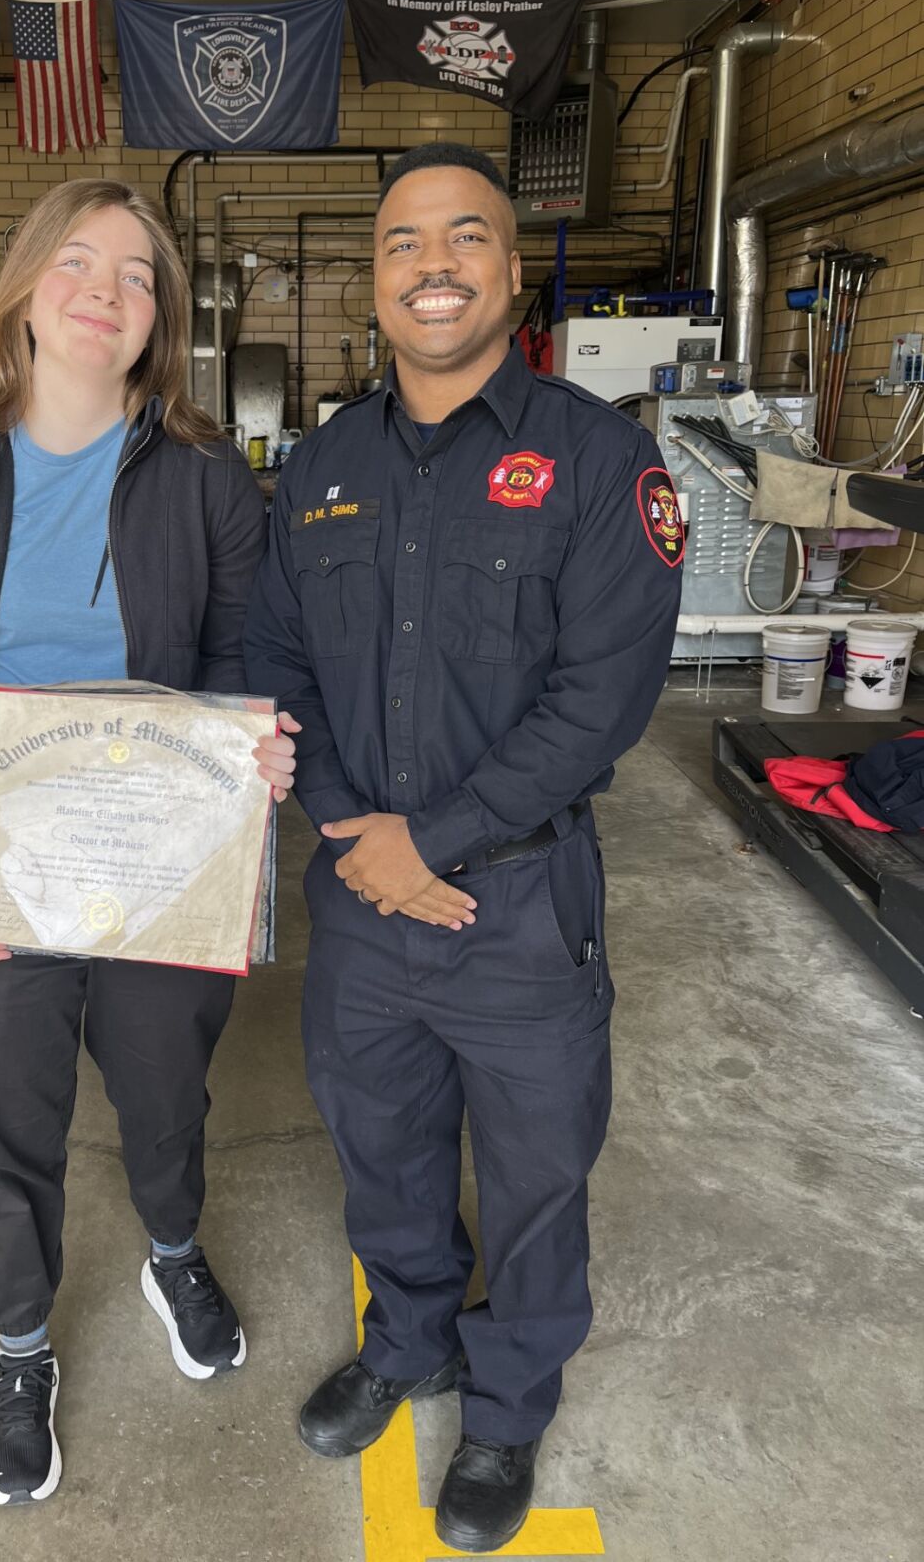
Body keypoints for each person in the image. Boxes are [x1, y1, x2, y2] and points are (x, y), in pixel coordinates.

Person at [243, 143, 683, 1552]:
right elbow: (277, 659)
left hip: (521, 905)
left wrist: (431, 838)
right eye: (402, 245)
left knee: (542, 1171)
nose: (433, 265)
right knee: (381, 1146)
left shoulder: (603, 460)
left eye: (465, 237)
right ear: (373, 285)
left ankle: (507, 1404)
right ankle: (413, 1340)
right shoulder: (320, 464)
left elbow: (601, 698)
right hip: (362, 906)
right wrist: (351, 837)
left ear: (510, 267)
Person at [0, 178, 297, 1507]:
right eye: (78, 260)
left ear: (159, 317)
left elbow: (237, 659)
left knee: (167, 1092)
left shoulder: (209, 477)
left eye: (138, 273)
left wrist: (255, 753)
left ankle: (173, 1248)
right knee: (7, 1118)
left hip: (164, 856)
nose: (105, 287)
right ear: (29, 286)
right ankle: (22, 1345)